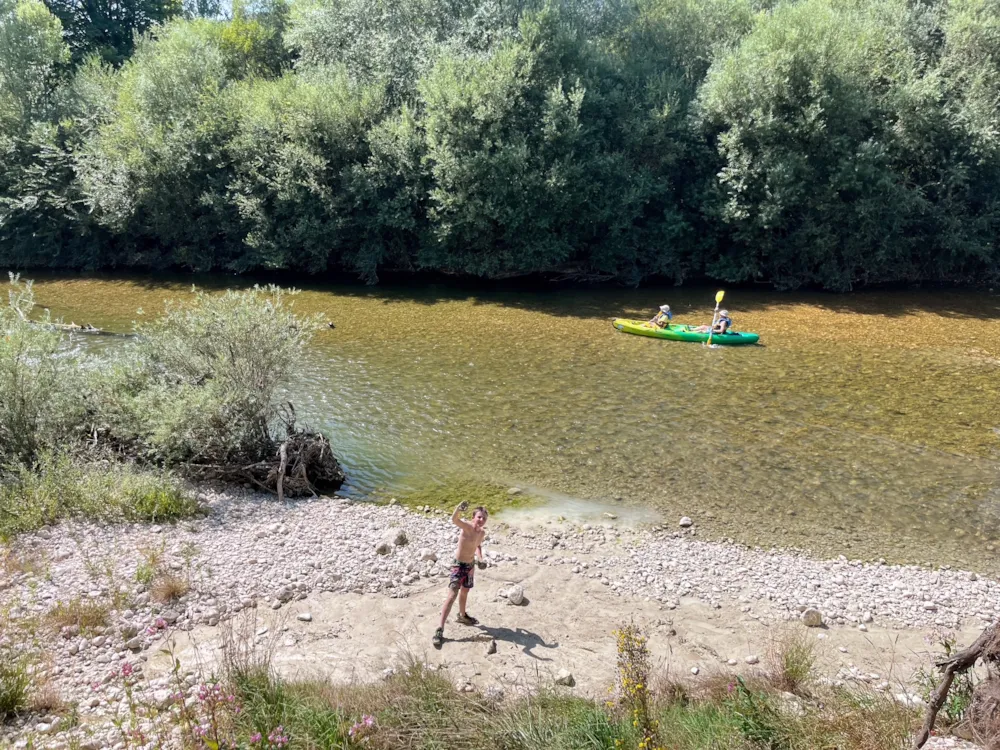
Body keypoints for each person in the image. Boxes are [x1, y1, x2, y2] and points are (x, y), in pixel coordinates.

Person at [433, 501, 488, 648]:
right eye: (479, 517)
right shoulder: (467, 526)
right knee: (451, 596)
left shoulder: (482, 532)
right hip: (458, 566)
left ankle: (462, 616)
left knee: (465, 591)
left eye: (484, 518)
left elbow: (478, 545)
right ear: (473, 517)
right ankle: (439, 629)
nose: (481, 520)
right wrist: (458, 508)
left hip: (470, 566)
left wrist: (480, 559)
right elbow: (454, 519)